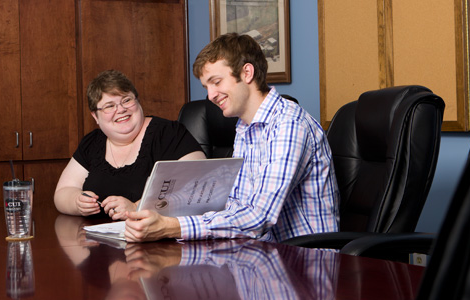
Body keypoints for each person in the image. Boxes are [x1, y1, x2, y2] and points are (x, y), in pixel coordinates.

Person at [123, 33, 340, 242]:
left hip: (305, 263)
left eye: (216, 82)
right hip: (260, 253)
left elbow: (259, 217)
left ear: (246, 73)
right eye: (206, 87)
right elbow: (236, 203)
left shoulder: (289, 124)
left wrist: (172, 227)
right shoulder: (245, 127)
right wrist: (161, 211)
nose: (210, 95)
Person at [54, 70, 206, 219]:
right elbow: (63, 192)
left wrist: (136, 207)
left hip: (156, 239)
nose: (120, 110)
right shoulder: (92, 142)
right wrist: (77, 201)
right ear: (95, 116)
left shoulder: (168, 133)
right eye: (109, 106)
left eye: (126, 100)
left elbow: (199, 184)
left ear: (137, 101)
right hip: (97, 238)